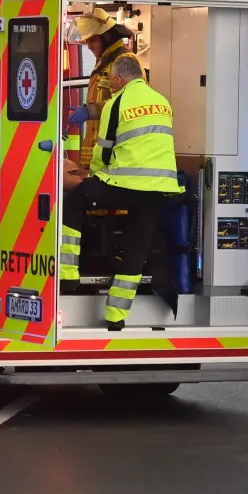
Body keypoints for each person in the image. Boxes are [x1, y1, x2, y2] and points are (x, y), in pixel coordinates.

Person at [60, 53, 181, 329]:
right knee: (137, 247)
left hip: (124, 182)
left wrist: (92, 174)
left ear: (117, 78)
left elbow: (104, 149)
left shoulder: (117, 103)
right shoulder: (162, 102)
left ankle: (69, 275)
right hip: (159, 187)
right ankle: (117, 316)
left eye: (111, 80)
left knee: (74, 201)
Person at [65, 8, 143, 169]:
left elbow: (130, 102)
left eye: (93, 40)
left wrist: (90, 111)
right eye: (87, 41)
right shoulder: (105, 61)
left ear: (107, 37)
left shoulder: (124, 61)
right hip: (100, 155)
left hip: (114, 156)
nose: (88, 46)